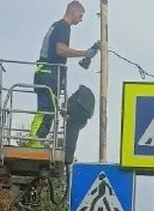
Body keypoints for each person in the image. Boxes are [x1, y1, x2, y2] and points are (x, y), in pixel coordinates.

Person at [28, 1, 100, 148]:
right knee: (47, 110)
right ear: (73, 11)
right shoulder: (63, 27)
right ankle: (35, 141)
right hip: (49, 74)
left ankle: (36, 140)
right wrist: (84, 53)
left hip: (46, 72)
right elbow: (61, 50)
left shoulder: (56, 26)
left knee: (46, 109)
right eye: (80, 16)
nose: (81, 20)